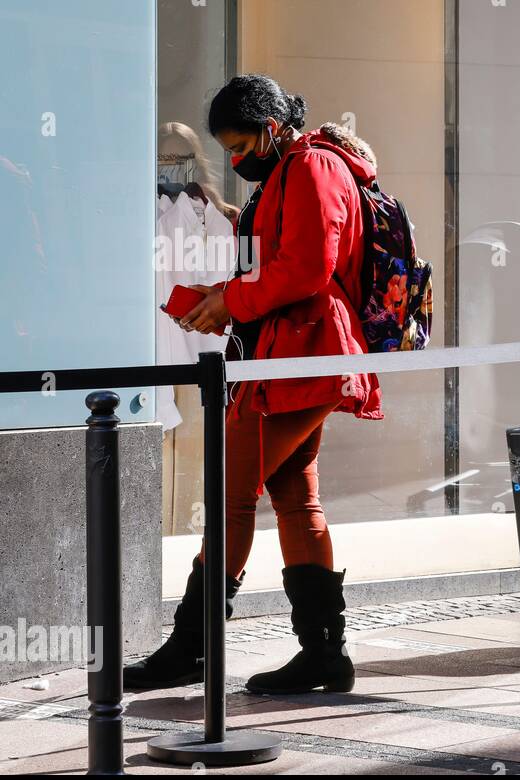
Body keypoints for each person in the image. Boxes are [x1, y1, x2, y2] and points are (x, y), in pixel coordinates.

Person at [125, 74, 383, 694]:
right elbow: (288, 266)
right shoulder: (293, 169)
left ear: (271, 128)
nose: (235, 161)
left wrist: (229, 301)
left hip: (304, 353)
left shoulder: (311, 168)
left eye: (240, 147)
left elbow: (306, 267)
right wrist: (222, 296)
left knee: (230, 493)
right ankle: (324, 654)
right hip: (296, 353)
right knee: (294, 494)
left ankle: (195, 645)